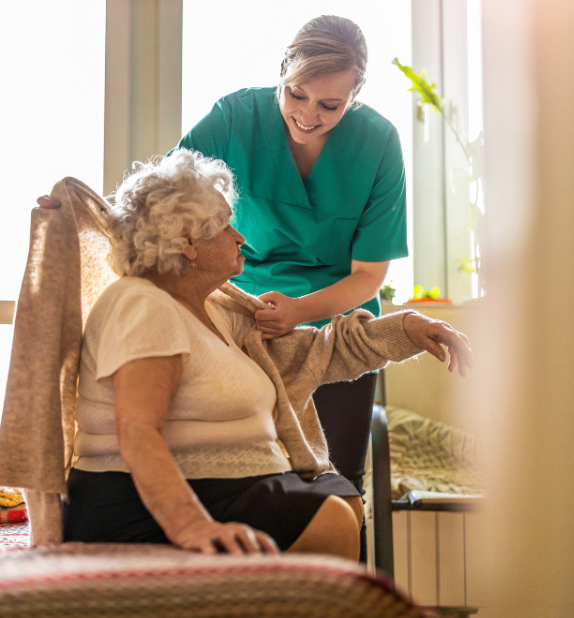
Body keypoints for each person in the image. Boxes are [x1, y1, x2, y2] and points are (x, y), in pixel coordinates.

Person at [58, 150, 471, 558]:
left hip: (227, 485)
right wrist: (191, 525)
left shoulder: (220, 311)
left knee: (342, 502)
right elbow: (137, 430)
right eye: (223, 226)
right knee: (330, 519)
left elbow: (318, 351)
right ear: (186, 242)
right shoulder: (142, 304)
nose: (239, 237)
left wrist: (409, 328)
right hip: (137, 503)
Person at [173, 15, 406, 558]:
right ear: (281, 73)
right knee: (249, 483)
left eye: (330, 106)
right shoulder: (236, 116)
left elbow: (369, 274)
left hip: (338, 329)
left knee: (339, 487)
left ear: (356, 95)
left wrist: (302, 311)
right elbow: (164, 198)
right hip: (242, 321)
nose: (307, 115)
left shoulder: (378, 142)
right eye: (296, 94)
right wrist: (81, 212)